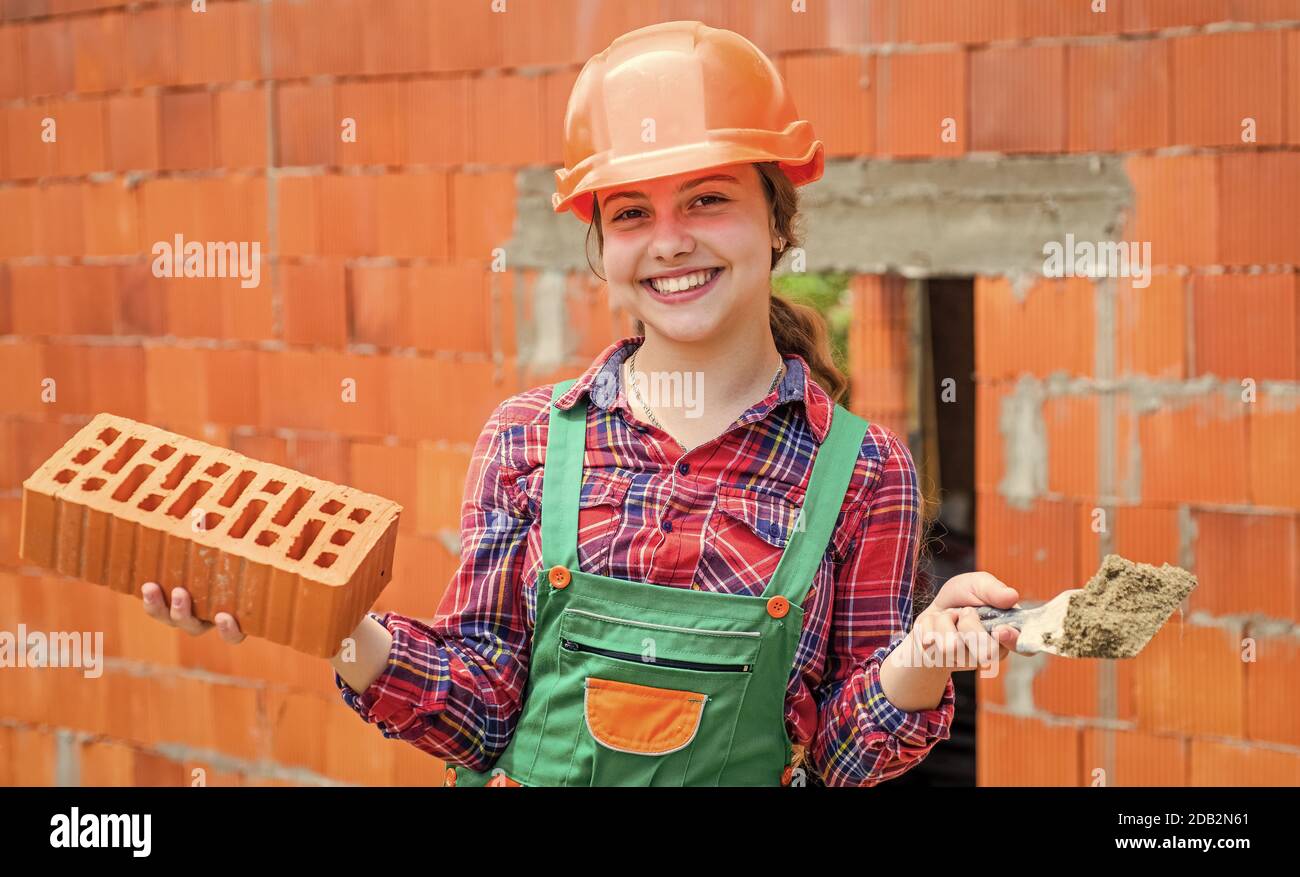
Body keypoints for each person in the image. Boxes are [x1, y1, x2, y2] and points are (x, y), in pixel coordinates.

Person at [142, 19, 1021, 787]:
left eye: (708, 199)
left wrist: (918, 661)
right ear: (601, 246)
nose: (671, 242)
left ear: (777, 220)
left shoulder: (865, 470)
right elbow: (480, 710)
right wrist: (335, 626)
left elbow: (841, 757)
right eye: (632, 213)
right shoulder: (528, 440)